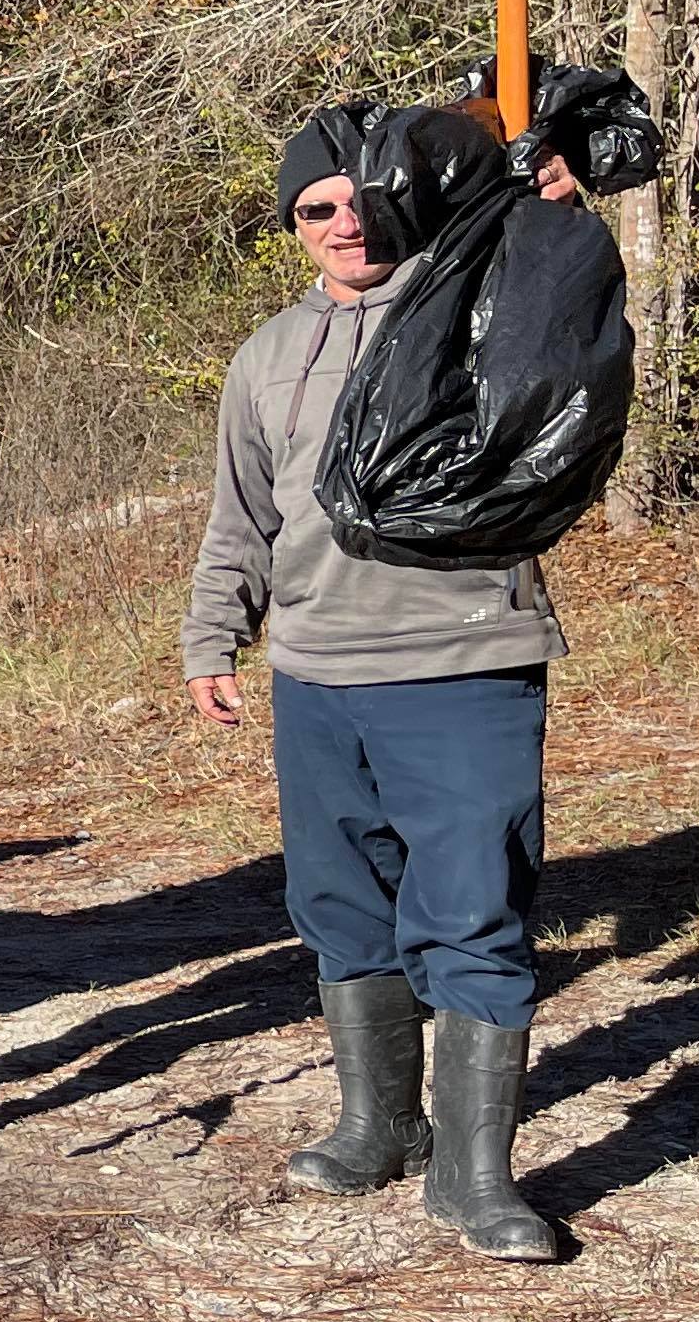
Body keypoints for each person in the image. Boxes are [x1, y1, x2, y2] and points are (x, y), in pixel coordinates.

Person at [182, 110, 570, 1259]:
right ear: (294, 228)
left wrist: (548, 205)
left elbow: (562, 320)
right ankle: (380, 1124)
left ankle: (474, 1175)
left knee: (475, 909)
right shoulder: (264, 357)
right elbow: (241, 515)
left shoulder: (476, 312)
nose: (345, 224)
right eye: (318, 209)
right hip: (315, 672)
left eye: (362, 199)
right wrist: (215, 637)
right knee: (343, 905)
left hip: (463, 659)